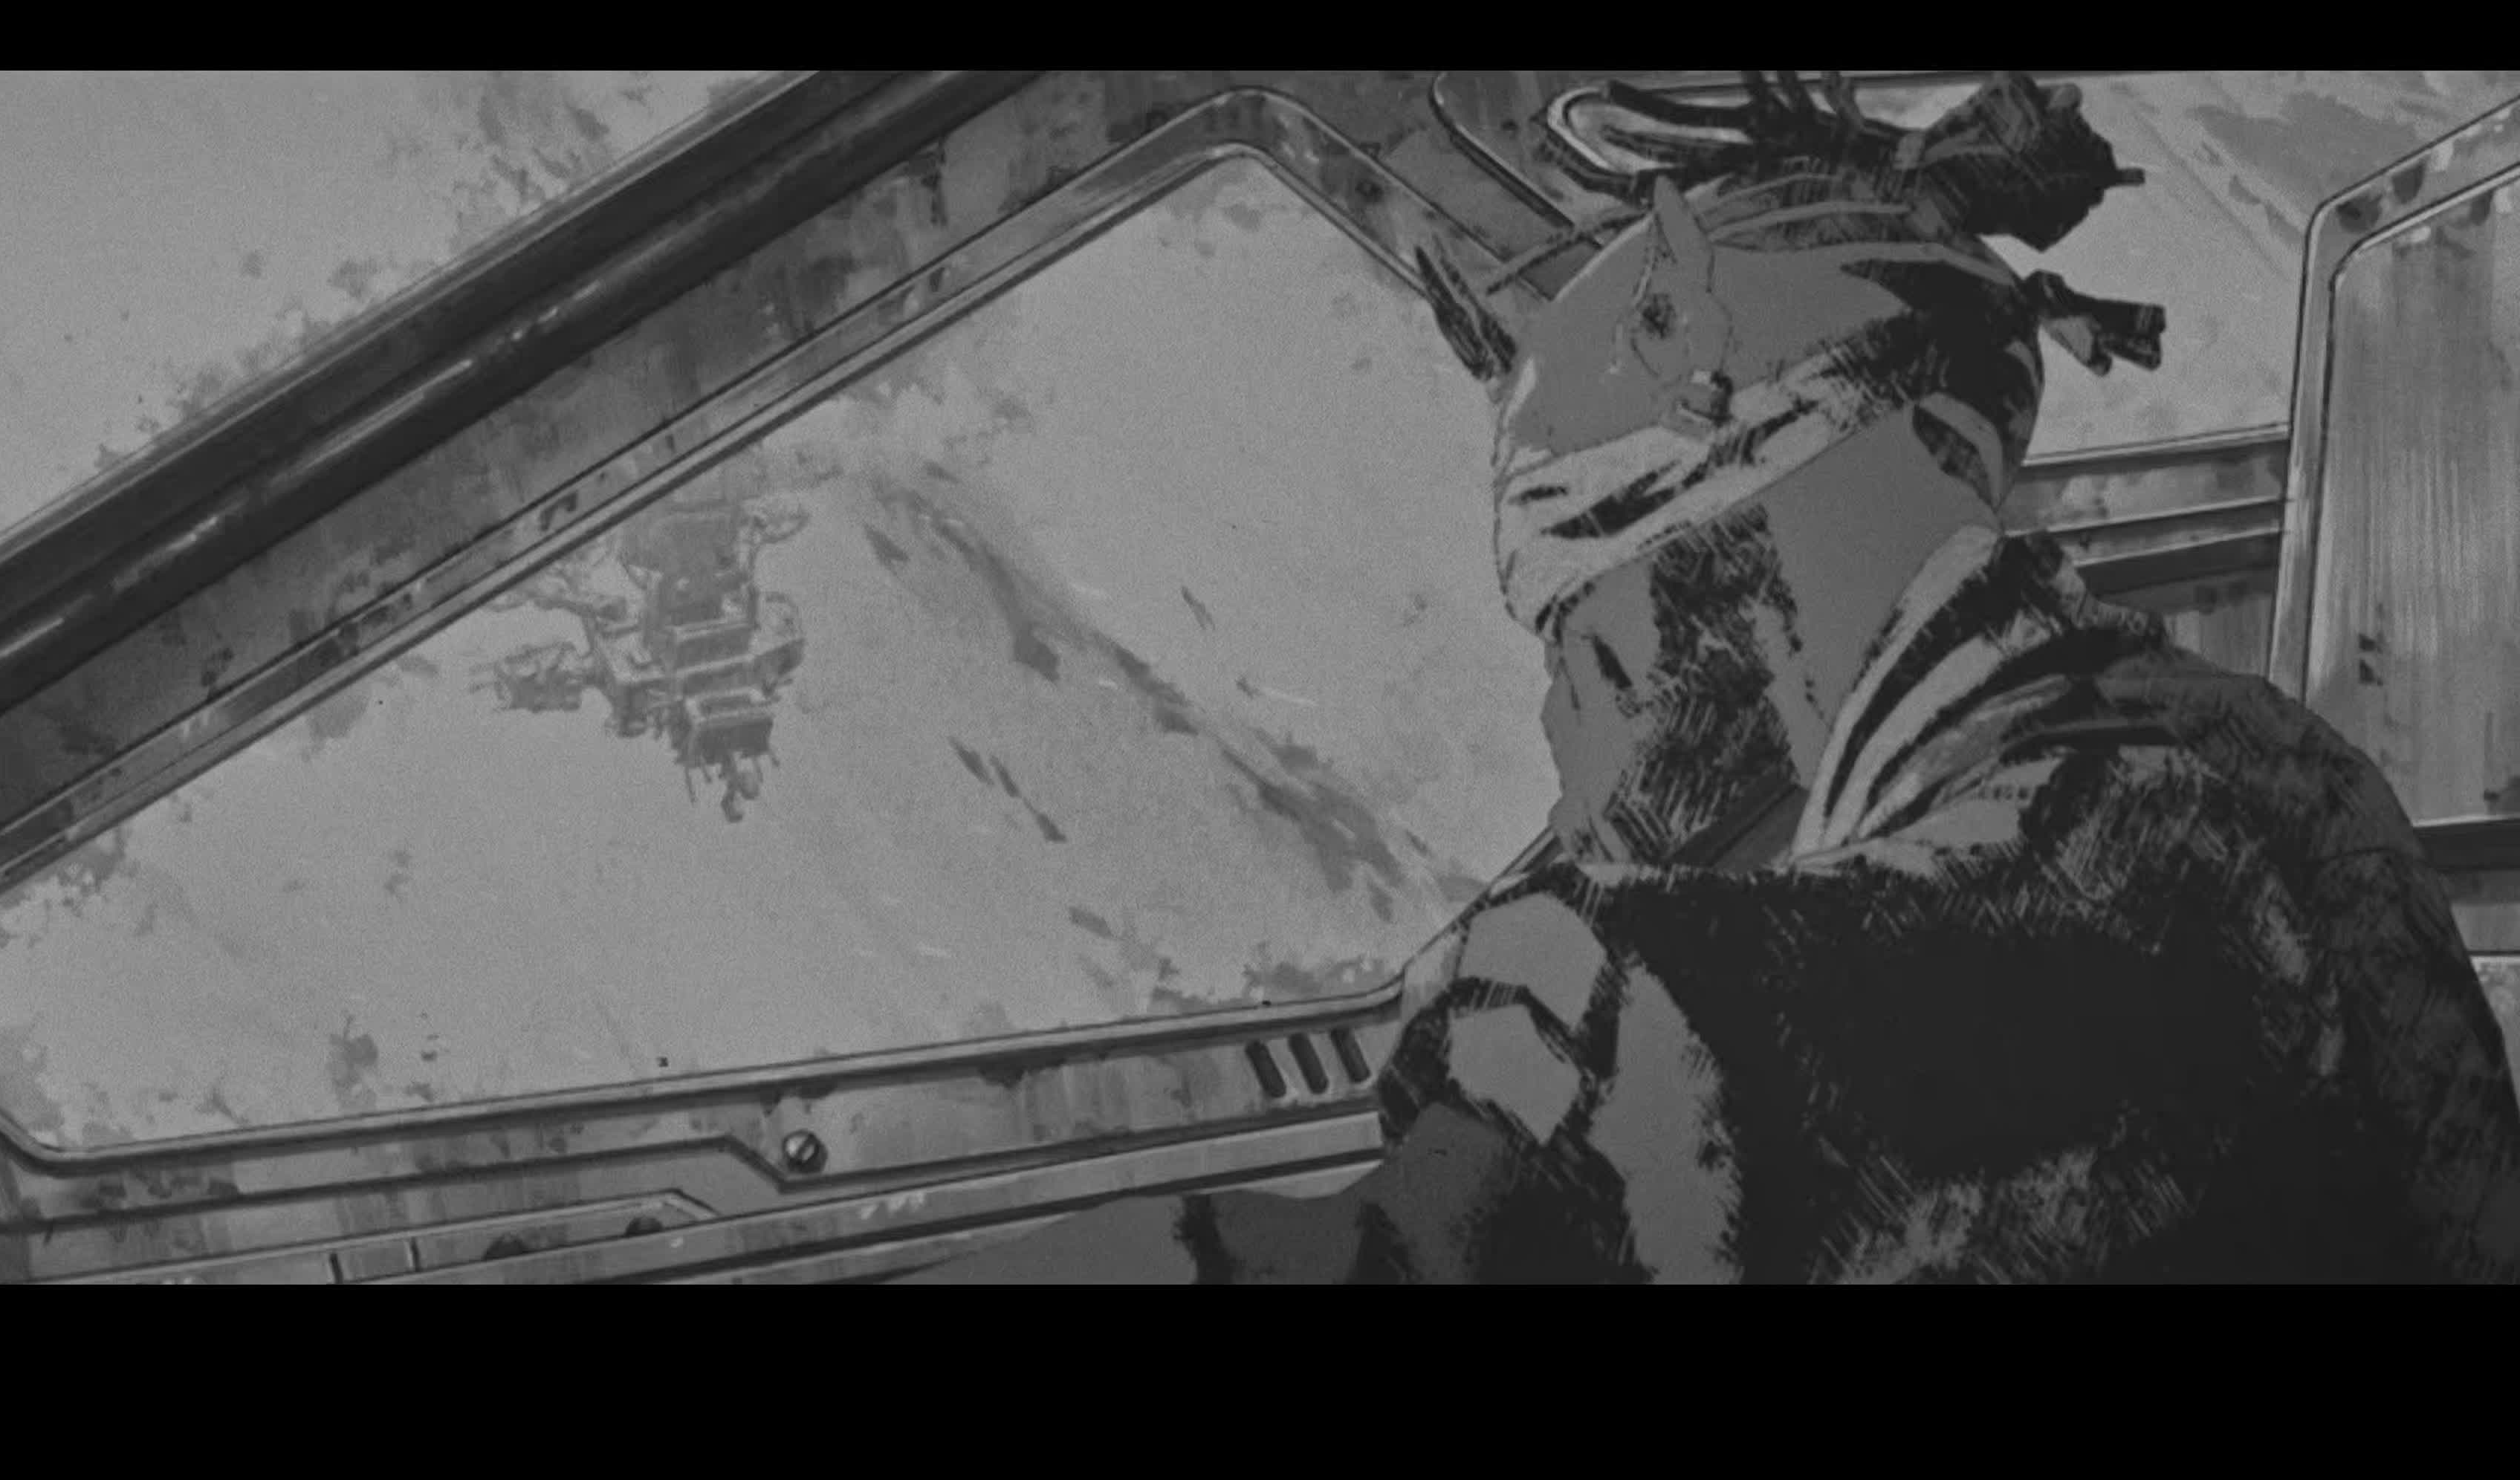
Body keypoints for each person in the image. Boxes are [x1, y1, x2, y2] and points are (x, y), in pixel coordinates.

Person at [903, 72, 2520, 1282]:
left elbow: (1419, 1251)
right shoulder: (2187, 751)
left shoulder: (2148, 843)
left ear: (1707, 558)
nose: (1567, 711)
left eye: (1575, 625)